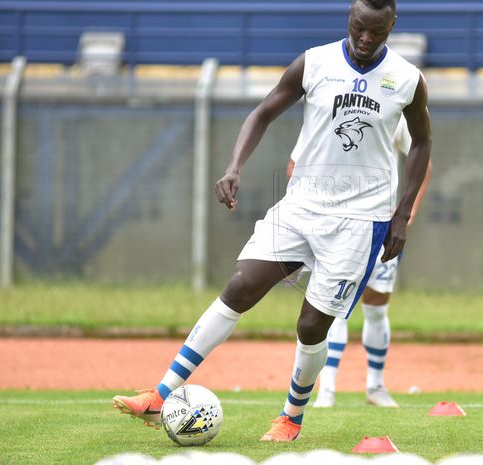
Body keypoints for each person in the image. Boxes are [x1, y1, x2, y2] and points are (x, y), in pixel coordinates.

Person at [112, 0, 432, 442]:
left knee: (311, 325)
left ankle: (290, 419)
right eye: (358, 27)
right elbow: (262, 113)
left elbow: (421, 143)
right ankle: (162, 393)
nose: (364, 39)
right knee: (240, 286)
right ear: (349, 18)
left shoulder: (408, 79)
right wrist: (234, 167)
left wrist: (402, 214)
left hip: (360, 221)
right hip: (300, 207)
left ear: (391, 24)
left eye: (375, 31)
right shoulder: (314, 62)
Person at [285, 117, 432, 409]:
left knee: (377, 308)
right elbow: (294, 165)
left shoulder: (396, 107)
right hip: (336, 228)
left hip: (380, 225)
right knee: (334, 308)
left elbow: (423, 156)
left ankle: (375, 386)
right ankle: (327, 389)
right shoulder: (326, 109)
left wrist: (407, 214)